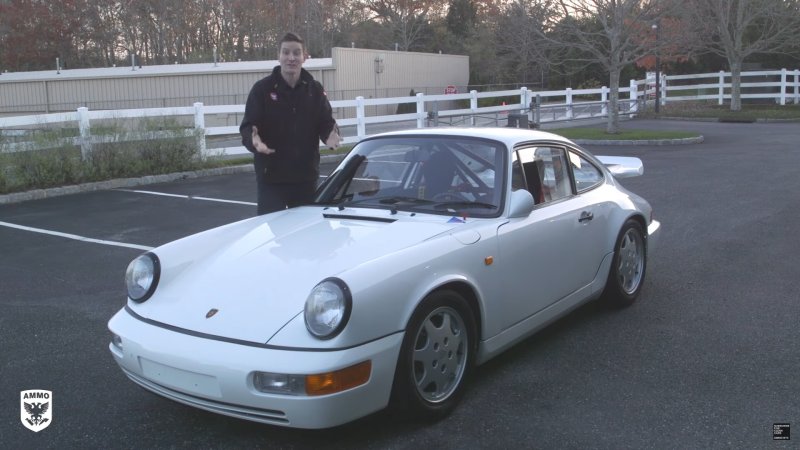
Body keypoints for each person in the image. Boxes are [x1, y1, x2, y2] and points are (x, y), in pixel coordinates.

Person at [239, 32, 341, 215]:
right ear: (278, 56)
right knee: (271, 236)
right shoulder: (262, 90)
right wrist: (254, 141)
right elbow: (248, 126)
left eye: (296, 53)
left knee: (305, 234)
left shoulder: (314, 90)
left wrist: (330, 136)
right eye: (286, 52)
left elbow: (326, 122)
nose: (291, 58)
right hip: (271, 179)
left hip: (305, 179)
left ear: (305, 57)